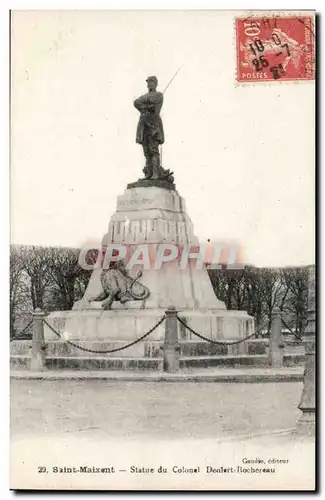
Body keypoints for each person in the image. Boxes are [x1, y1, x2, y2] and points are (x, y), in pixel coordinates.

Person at [134, 76, 165, 179]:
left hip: (153, 124)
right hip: (143, 123)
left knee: (153, 150)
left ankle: (155, 173)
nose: (149, 84)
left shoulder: (159, 95)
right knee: (146, 151)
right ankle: (148, 173)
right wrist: (147, 106)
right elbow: (136, 102)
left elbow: (152, 100)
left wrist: (144, 103)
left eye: (151, 82)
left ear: (155, 83)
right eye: (148, 82)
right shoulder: (145, 96)